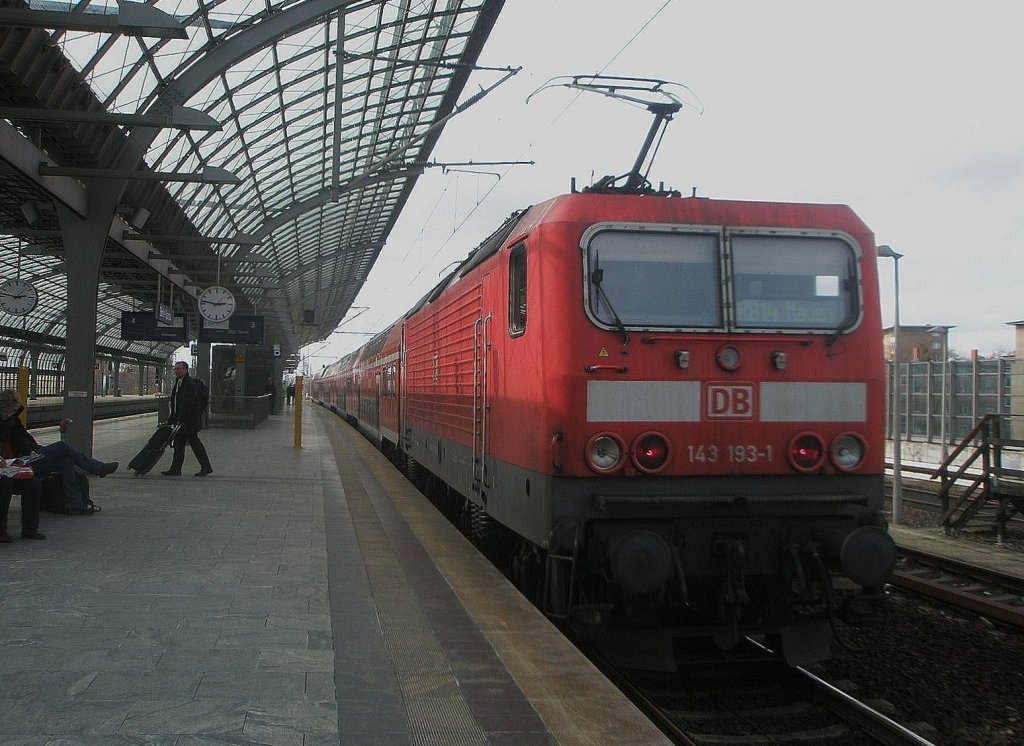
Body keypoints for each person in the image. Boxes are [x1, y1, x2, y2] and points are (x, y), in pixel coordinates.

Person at [0, 389, 117, 516]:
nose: (8, 414)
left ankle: (74, 504)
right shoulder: (6, 424)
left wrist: (36, 450)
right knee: (61, 447)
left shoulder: (13, 421)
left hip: (29, 458)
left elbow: (27, 440)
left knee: (65, 461)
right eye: (6, 411)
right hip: (15, 464)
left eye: (11, 411)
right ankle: (98, 468)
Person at [162, 361, 213, 477]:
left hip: (189, 421)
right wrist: (173, 418)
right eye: (175, 369)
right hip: (182, 420)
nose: (176, 371)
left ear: (185, 370)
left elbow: (188, 403)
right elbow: (176, 402)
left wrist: (181, 419)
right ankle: (176, 468)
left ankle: (206, 467)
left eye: (178, 369)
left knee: (195, 444)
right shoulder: (179, 382)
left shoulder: (189, 384)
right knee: (179, 445)